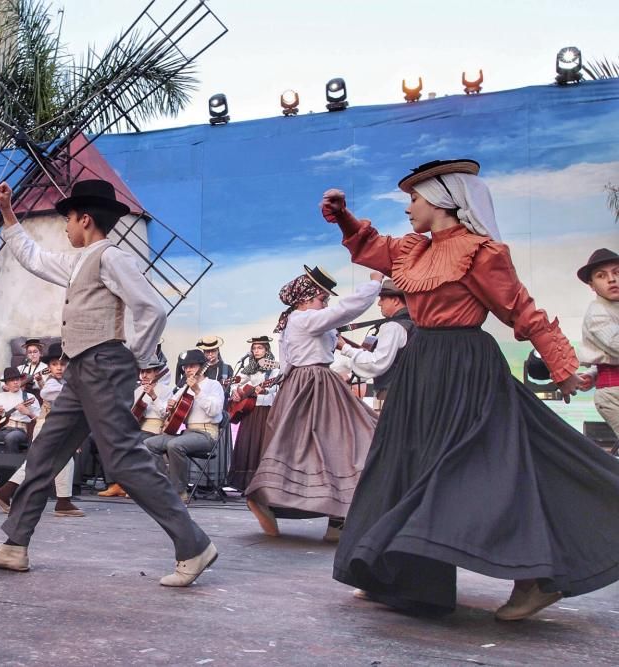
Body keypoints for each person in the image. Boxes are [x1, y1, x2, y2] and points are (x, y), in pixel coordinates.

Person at [324, 159, 619, 621]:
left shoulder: (481, 253)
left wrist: (562, 366)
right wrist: (344, 217)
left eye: (414, 199)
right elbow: (372, 246)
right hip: (422, 370)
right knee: (404, 466)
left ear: (442, 201)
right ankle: (401, 576)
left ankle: (537, 577)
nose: (408, 208)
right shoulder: (412, 250)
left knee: (479, 471)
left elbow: (523, 311)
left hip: (466, 369)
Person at [0, 179, 216, 587]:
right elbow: (32, 256)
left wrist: (133, 355)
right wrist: (8, 211)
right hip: (81, 370)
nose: (65, 226)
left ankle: (193, 545)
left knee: (123, 459)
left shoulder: (112, 258)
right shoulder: (79, 261)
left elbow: (152, 307)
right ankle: (15, 545)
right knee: (44, 452)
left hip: (104, 366)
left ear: (85, 219)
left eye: (68, 218)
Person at [246, 266, 380, 542]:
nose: (326, 304)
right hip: (313, 384)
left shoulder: (295, 322)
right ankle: (267, 500)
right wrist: (374, 285)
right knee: (337, 446)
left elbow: (288, 362)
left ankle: (336, 518)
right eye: (323, 299)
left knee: (324, 450)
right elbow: (344, 311)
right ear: (307, 298)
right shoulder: (303, 318)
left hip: (307, 383)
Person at [0, 342, 84, 517]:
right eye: (55, 364)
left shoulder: (65, 382)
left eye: (62, 364)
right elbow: (48, 394)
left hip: (57, 428)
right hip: (47, 427)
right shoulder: (52, 384)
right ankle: (4, 493)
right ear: (49, 367)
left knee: (62, 461)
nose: (59, 368)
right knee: (36, 464)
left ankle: (62, 502)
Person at [144, 349, 225, 502]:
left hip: (207, 434)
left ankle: (179, 492)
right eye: (185, 367)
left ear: (202, 367)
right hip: (187, 434)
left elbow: (214, 411)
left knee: (175, 445)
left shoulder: (213, 385)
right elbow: (165, 414)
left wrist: (197, 391)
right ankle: (164, 486)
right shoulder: (183, 389)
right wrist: (162, 403)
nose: (187, 370)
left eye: (192, 366)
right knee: (149, 444)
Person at [100, 358, 174, 498]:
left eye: (148, 372)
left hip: (155, 430)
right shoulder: (137, 390)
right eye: (142, 372)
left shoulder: (165, 390)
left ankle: (138, 485)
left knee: (133, 443)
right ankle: (116, 483)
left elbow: (166, 414)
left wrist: (153, 396)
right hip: (139, 428)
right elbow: (133, 413)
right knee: (109, 440)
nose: (144, 375)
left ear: (156, 373)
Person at [337, 278, 415, 406]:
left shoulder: (393, 327)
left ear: (395, 300)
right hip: (408, 392)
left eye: (383, 299)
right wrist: (352, 374)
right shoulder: (413, 324)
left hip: (393, 394)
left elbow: (378, 362)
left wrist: (344, 347)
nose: (379, 304)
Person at [575, 248, 619, 438]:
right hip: (614, 395)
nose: (611, 279)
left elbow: (608, 356)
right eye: (602, 275)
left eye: (617, 273)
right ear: (592, 285)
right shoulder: (598, 313)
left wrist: (593, 373)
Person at [226, 335, 279, 491]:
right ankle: (244, 483)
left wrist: (265, 389)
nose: (256, 351)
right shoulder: (250, 367)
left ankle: (262, 483)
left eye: (260, 348)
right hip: (250, 410)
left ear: (267, 349)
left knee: (261, 443)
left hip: (266, 410)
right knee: (246, 442)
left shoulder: (275, 368)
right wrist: (235, 392)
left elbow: (277, 388)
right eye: (254, 348)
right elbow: (238, 381)